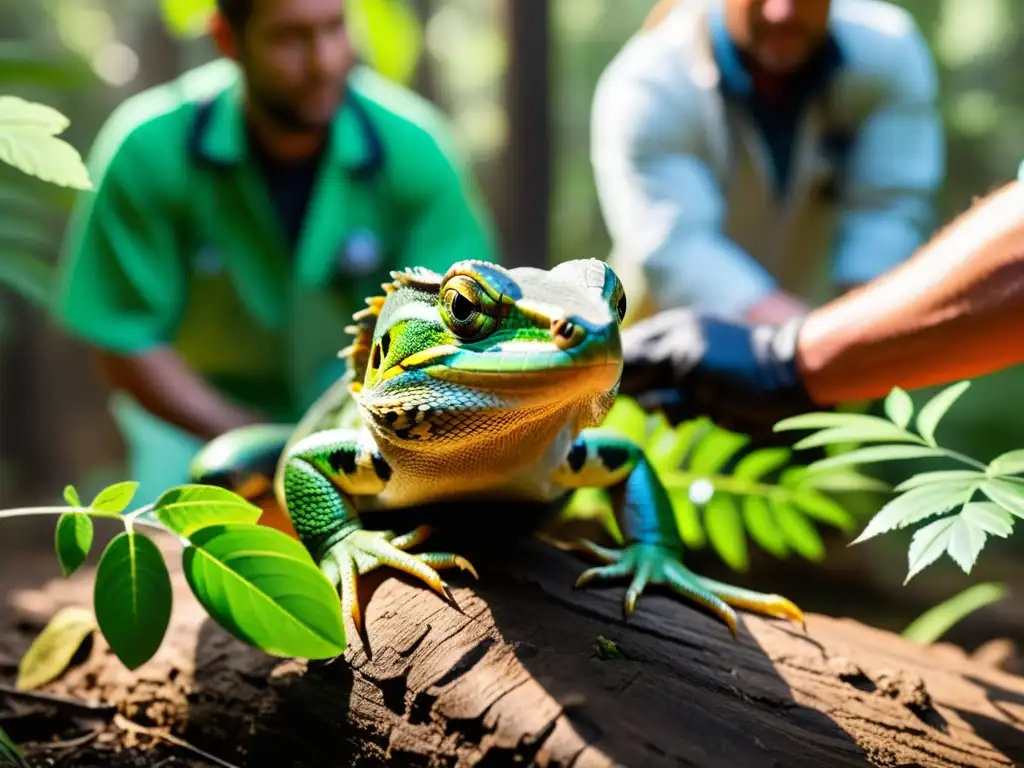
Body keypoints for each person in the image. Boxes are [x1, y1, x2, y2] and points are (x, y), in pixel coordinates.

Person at [54, 0, 499, 507]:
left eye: (334, 27)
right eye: (290, 37)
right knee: (172, 536)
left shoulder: (415, 147)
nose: (324, 61)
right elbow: (124, 335)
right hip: (192, 430)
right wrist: (249, 436)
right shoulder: (149, 149)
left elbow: (458, 328)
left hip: (372, 429)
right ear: (227, 39)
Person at [589, 0, 944, 326]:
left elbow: (887, 208)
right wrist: (812, 339)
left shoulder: (889, 54)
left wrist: (863, 332)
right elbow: (678, 249)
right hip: (659, 336)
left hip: (817, 323)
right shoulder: (649, 85)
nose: (781, 11)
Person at [616, 166, 1024, 440]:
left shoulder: (886, 72)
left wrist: (781, 359)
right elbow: (674, 243)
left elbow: (887, 211)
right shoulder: (650, 86)